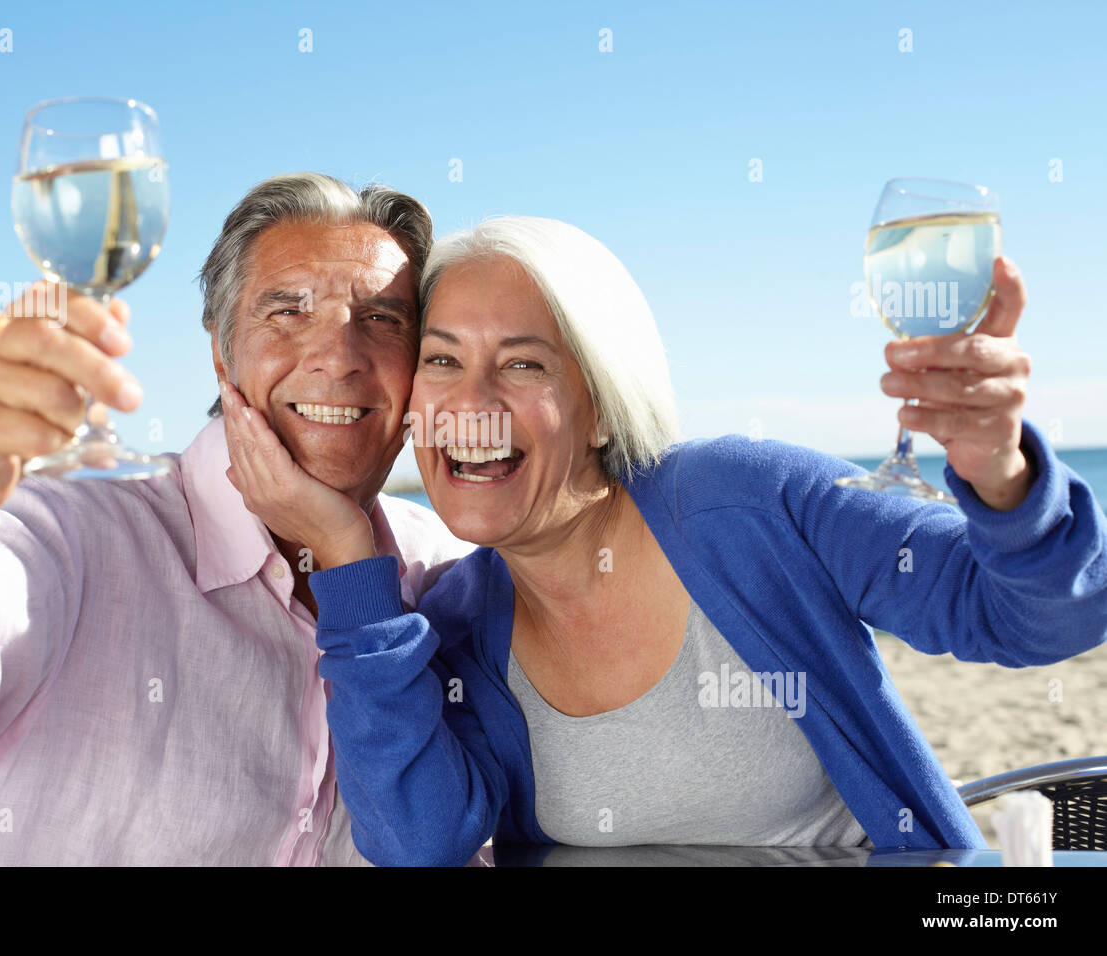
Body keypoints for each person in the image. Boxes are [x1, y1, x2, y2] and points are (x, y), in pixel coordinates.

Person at [223, 216, 1107, 866]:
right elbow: (418, 841)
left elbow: (1034, 623)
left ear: (602, 399)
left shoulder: (742, 503)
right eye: (444, 361)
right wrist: (348, 557)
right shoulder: (454, 624)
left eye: (525, 363)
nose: (471, 403)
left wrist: (1001, 479)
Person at [0, 172, 471, 865]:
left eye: (383, 320)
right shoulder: (83, 528)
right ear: (222, 352)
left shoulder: (442, 570)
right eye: (289, 312)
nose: (339, 357)